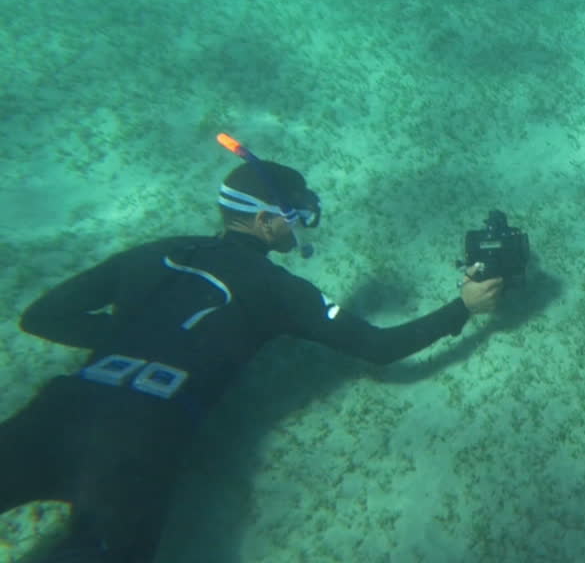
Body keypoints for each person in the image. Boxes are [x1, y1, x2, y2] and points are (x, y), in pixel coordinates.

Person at [0, 157, 503, 562]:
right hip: (139, 443)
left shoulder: (158, 251)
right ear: (265, 221)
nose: (303, 227)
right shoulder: (278, 289)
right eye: (297, 216)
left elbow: (41, 317)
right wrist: (463, 307)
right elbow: (381, 349)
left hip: (57, 414)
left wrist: (131, 336)